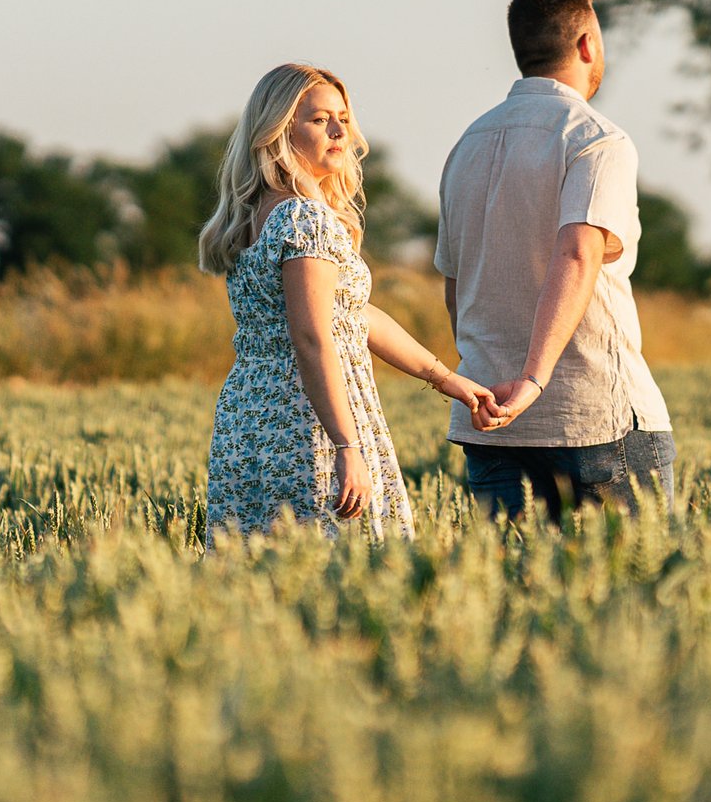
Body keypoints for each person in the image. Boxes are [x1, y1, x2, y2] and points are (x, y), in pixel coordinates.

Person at [196, 63, 493, 541]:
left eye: (343, 118)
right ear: (277, 130)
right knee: (338, 570)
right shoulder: (305, 217)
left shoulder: (254, 215)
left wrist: (447, 379)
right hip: (305, 422)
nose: (339, 131)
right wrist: (347, 444)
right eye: (319, 120)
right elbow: (313, 338)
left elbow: (352, 317)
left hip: (248, 422)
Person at [435, 0, 677, 520]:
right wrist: (534, 381)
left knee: (508, 595)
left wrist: (494, 378)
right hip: (592, 415)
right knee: (629, 594)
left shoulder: (466, 146)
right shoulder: (596, 139)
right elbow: (578, 253)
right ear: (588, 43)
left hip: (489, 419)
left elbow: (455, 286)